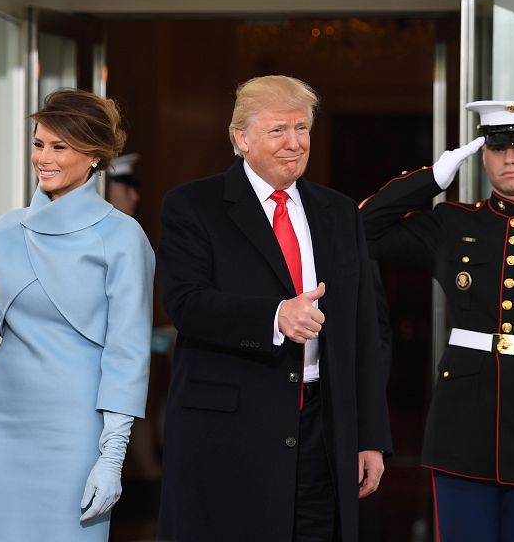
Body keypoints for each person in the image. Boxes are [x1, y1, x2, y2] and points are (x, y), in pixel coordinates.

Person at [360, 100, 514, 541]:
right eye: (498, 148)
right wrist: (434, 178)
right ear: (484, 156)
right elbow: (362, 228)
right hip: (460, 431)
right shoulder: (452, 223)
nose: (510, 158)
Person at [157, 75, 392, 542]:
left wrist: (370, 436)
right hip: (230, 433)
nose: (294, 143)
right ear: (241, 138)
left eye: (302, 128)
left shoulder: (339, 212)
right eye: (278, 130)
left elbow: (366, 329)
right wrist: (274, 316)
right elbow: (185, 304)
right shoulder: (193, 205)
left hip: (324, 430)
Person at [0, 89, 154, 541]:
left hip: (77, 428)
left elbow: (127, 352)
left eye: (59, 146)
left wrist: (112, 456)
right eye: (38, 144)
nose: (43, 158)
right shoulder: (1, 233)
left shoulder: (123, 237)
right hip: (3, 426)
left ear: (94, 155)